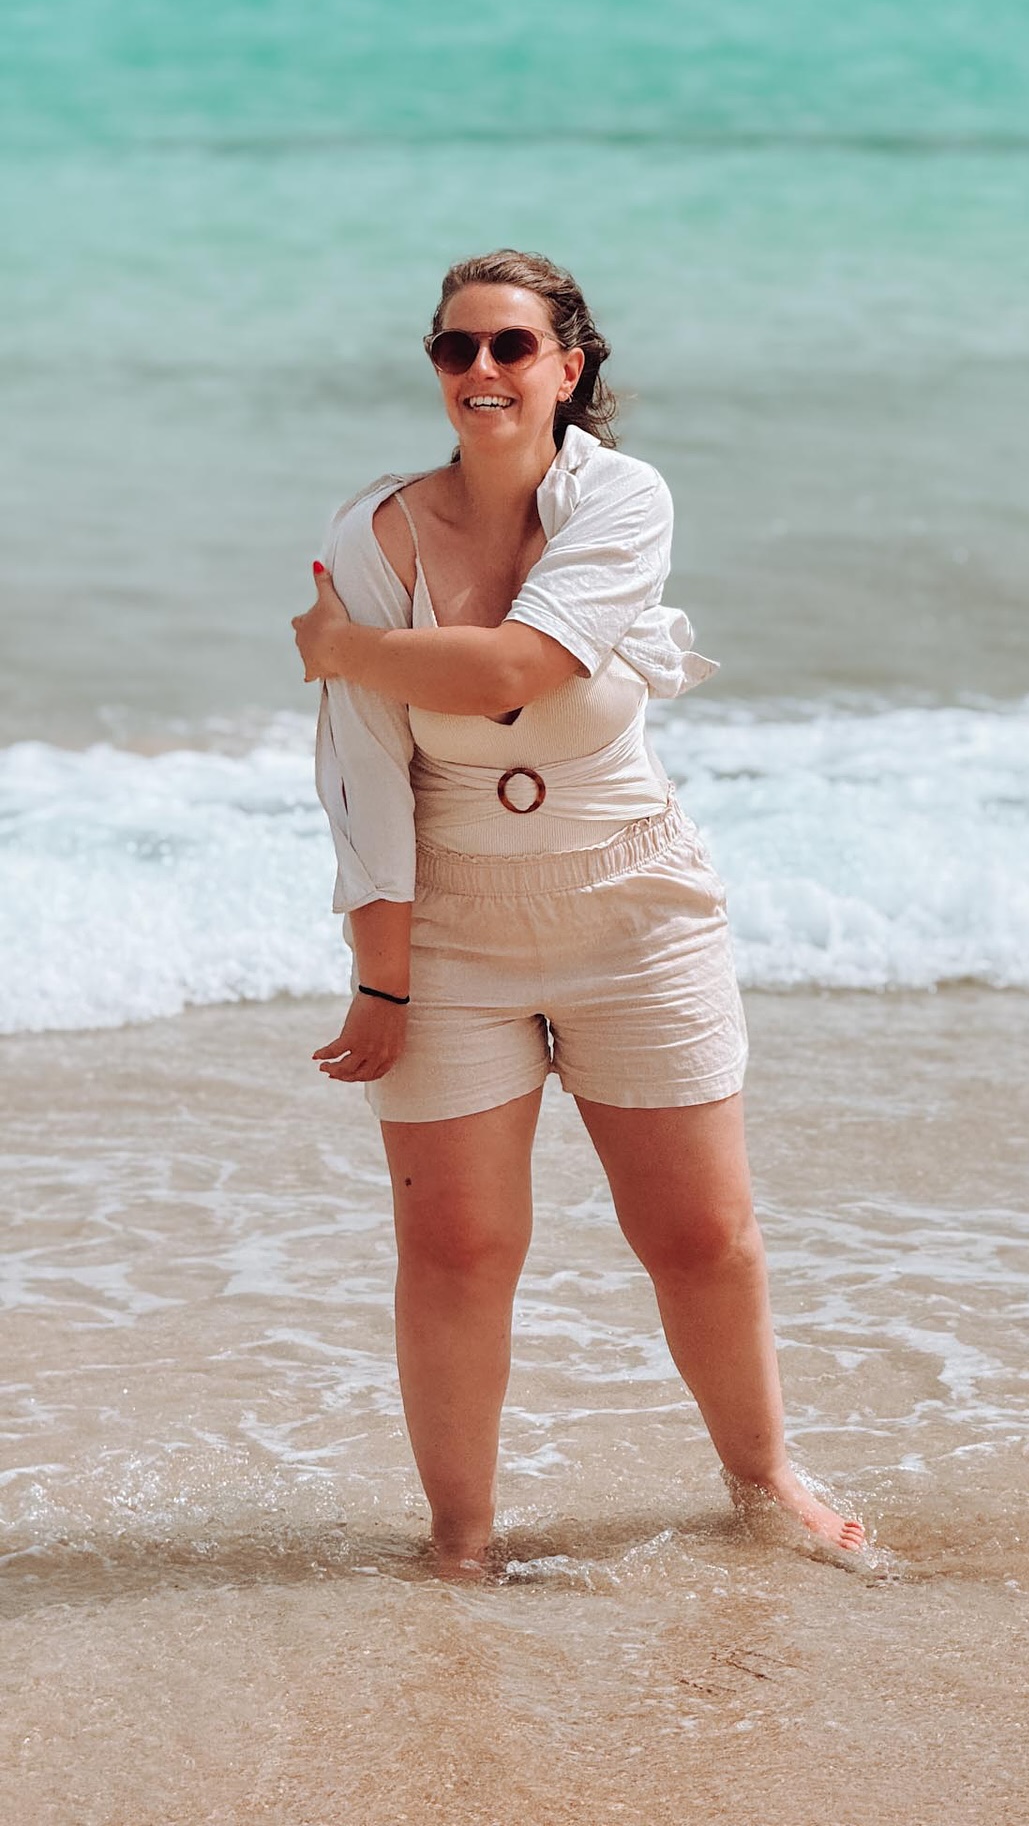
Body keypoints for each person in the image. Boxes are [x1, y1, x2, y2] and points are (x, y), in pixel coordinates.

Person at [291, 248, 864, 1569]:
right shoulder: (371, 532)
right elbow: (362, 766)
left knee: (699, 1235)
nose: (481, 373)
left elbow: (513, 669)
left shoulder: (621, 499)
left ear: (568, 366)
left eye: (508, 347)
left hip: (634, 903)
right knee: (457, 1249)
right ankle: (461, 1535)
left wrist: (346, 649)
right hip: (450, 924)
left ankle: (766, 1477)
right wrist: (382, 977)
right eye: (455, 350)